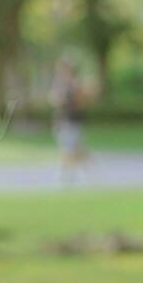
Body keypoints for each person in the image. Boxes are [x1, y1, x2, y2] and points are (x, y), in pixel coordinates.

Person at [49, 54, 94, 186]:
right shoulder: (60, 84)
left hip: (73, 121)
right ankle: (89, 167)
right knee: (74, 149)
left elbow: (83, 101)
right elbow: (53, 99)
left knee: (68, 149)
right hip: (62, 120)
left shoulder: (75, 84)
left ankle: (66, 176)